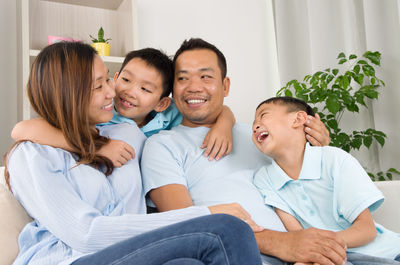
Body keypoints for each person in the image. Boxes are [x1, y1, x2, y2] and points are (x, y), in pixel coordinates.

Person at [3, 42, 264, 265]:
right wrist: (207, 214)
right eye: (98, 86)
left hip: (125, 252)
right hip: (68, 259)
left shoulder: (127, 134)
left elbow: (201, 111)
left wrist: (226, 120)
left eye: (108, 78)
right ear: (67, 93)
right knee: (227, 230)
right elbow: (86, 235)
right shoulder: (32, 155)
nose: (113, 91)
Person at [140, 38, 349, 265]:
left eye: (205, 76)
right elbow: (185, 224)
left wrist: (319, 150)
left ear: (225, 85)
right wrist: (286, 243)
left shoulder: (261, 135)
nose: (193, 86)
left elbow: (315, 192)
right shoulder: (162, 146)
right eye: (182, 78)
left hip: (311, 250)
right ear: (172, 89)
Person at [11, 48, 236, 166]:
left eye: (145, 89)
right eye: (126, 80)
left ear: (162, 103)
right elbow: (20, 130)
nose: (129, 92)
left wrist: (224, 124)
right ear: (116, 77)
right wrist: (94, 147)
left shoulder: (169, 115)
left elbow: (214, 109)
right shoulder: (100, 116)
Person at [251, 96, 400, 264]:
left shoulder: (334, 159)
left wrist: (321, 246)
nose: (255, 126)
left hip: (385, 253)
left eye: (263, 115)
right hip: (331, 258)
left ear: (299, 119)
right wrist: (311, 254)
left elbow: (367, 229)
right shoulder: (264, 179)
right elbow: (298, 238)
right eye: (253, 124)